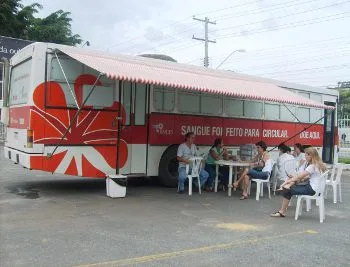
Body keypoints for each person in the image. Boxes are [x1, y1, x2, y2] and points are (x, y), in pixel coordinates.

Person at [270, 147, 327, 217]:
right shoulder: (320, 164)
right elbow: (309, 176)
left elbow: (299, 176)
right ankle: (284, 191)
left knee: (288, 190)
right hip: (317, 189)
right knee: (293, 184)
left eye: (306, 155)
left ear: (311, 156)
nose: (305, 157)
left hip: (312, 189)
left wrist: (285, 183)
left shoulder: (312, 166)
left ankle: (282, 211)